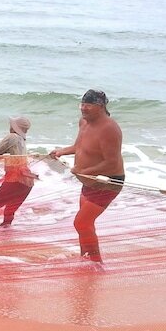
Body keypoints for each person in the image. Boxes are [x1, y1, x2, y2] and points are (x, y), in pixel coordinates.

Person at [49, 89, 124, 263]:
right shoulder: (84, 122)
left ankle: (96, 263)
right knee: (85, 224)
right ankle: (87, 258)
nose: (83, 108)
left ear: (101, 106)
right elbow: (79, 146)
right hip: (88, 182)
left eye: (88, 105)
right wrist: (61, 151)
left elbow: (111, 163)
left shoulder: (109, 128)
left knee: (81, 223)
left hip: (107, 183)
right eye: (82, 104)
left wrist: (84, 171)